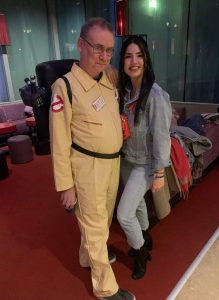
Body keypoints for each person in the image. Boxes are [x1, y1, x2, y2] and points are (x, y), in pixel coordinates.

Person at [49, 18, 135, 300]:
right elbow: (59, 143)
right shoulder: (65, 86)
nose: (104, 56)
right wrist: (66, 186)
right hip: (87, 167)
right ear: (80, 45)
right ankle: (105, 289)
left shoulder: (107, 80)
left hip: (112, 163)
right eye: (98, 48)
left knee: (101, 219)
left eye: (109, 50)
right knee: (96, 226)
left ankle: (87, 257)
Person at [117, 36, 172, 280]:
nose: (134, 61)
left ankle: (139, 253)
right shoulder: (126, 90)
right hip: (127, 158)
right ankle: (145, 238)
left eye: (139, 55)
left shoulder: (155, 95)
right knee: (137, 204)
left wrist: (159, 172)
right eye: (128, 56)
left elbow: (162, 135)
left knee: (124, 214)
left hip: (146, 164)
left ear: (146, 59)